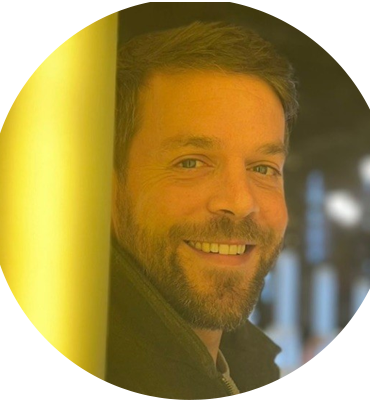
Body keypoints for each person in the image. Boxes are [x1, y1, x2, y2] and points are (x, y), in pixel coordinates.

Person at [105, 21, 298, 400]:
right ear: (108, 187)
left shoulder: (246, 371)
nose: (240, 202)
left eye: (263, 169)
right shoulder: (54, 372)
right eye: (191, 163)